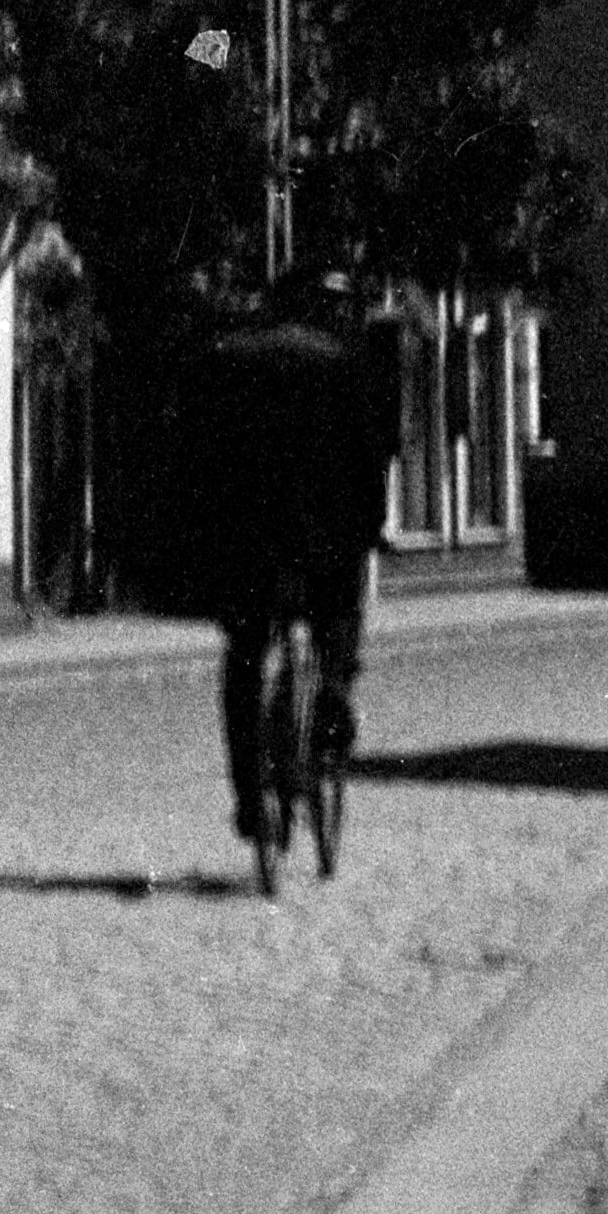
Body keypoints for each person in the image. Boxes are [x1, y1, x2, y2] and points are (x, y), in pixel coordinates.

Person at [178, 261, 404, 862]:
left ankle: (251, 797)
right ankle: (332, 696)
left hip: (248, 541)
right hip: (326, 540)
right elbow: (371, 458)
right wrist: (370, 529)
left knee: (244, 660)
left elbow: (200, 455)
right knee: (340, 616)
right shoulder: (348, 363)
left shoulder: (233, 358)